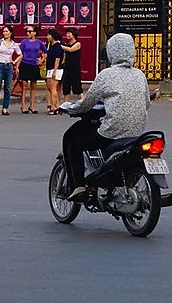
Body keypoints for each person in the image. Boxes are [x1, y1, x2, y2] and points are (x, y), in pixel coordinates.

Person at [59, 33, 152, 200]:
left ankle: (79, 186)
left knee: (73, 141)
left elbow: (86, 103)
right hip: (137, 132)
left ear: (111, 52)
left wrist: (69, 108)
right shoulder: (139, 74)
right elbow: (146, 103)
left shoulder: (106, 75)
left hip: (112, 132)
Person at [0, 26, 18, 115]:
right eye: (3, 31)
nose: (4, 33)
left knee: (7, 89)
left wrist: (14, 62)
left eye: (6, 31)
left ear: (10, 33)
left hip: (8, 66)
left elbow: (20, 54)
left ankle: (5, 108)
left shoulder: (14, 44)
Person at [17, 26, 46, 113]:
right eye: (27, 31)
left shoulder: (39, 42)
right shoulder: (24, 42)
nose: (28, 33)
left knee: (33, 86)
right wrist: (17, 66)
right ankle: (23, 106)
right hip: (25, 64)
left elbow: (46, 52)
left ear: (35, 33)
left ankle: (32, 106)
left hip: (34, 65)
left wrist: (41, 60)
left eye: (30, 31)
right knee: (24, 86)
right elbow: (20, 54)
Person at [44, 29, 66, 114]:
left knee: (53, 88)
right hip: (50, 68)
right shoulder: (51, 45)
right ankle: (56, 105)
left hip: (56, 69)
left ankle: (54, 107)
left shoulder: (57, 46)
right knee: (50, 88)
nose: (47, 37)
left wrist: (55, 71)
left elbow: (57, 59)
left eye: (49, 35)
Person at [61, 27, 85, 103]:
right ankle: (66, 104)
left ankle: (82, 104)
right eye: (66, 33)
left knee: (77, 87)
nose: (67, 35)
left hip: (75, 68)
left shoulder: (78, 44)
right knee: (66, 87)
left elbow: (71, 50)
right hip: (67, 68)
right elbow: (65, 55)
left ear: (73, 34)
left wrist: (59, 46)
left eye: (69, 33)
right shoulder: (66, 44)